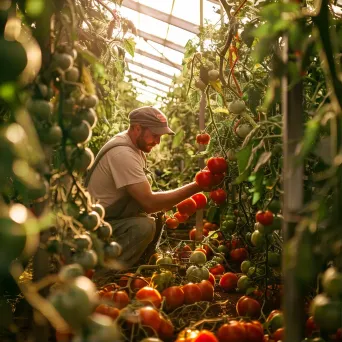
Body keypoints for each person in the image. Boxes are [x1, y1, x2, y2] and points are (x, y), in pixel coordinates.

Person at [86, 106, 202, 269]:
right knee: (144, 226)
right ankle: (103, 272)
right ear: (137, 128)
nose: (158, 141)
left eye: (160, 136)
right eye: (155, 135)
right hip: (97, 226)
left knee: (153, 219)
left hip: (110, 219)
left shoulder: (132, 147)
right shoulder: (123, 154)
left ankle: (128, 264)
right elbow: (149, 203)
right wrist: (198, 186)